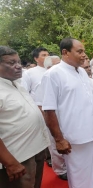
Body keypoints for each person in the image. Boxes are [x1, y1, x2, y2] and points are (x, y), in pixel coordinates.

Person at [41, 38, 93, 188]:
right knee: (80, 177)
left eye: (84, 51)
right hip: (74, 139)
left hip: (92, 133)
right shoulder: (53, 74)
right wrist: (59, 139)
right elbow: (49, 110)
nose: (84, 55)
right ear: (65, 52)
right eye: (80, 51)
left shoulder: (82, 73)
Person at [0, 46, 50, 188]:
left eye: (19, 62)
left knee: (34, 183)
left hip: (35, 148)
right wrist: (10, 162)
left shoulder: (16, 83)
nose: (18, 67)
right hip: (17, 156)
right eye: (11, 63)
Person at [35, 55, 67, 181]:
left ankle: (68, 167)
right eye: (57, 64)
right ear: (48, 67)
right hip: (52, 120)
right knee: (55, 146)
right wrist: (48, 124)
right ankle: (60, 170)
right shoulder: (43, 81)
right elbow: (40, 105)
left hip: (65, 119)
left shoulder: (63, 79)